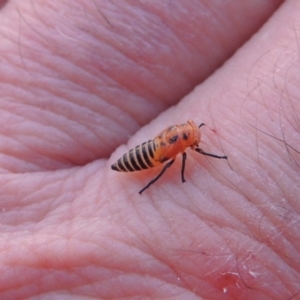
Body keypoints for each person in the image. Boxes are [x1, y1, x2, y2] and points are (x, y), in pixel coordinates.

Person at [0, 0, 299, 299]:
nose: (195, 138)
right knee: (169, 165)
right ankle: (152, 184)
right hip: (144, 157)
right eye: (192, 136)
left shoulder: (181, 137)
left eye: (192, 135)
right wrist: (209, 159)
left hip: (149, 150)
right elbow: (181, 158)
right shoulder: (183, 146)